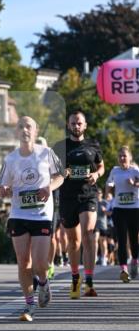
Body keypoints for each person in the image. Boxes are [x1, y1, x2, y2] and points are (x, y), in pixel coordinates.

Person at [0, 116, 64, 322]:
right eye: (21, 126)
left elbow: (60, 175)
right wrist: (4, 190)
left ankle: (43, 282)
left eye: (28, 126)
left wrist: (48, 188)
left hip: (42, 214)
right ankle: (29, 303)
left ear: (35, 131)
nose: (25, 130)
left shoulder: (46, 153)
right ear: (16, 132)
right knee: (23, 262)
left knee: (40, 263)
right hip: (18, 214)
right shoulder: (10, 159)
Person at [54, 110, 104, 298]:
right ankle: (76, 278)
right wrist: (61, 172)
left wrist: (97, 175)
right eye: (73, 123)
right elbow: (52, 169)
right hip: (67, 197)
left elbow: (101, 165)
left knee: (89, 235)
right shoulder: (60, 146)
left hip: (88, 195)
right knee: (73, 241)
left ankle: (89, 281)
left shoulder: (93, 145)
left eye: (79, 123)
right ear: (68, 125)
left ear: (85, 125)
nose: (76, 126)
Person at [105, 145, 139, 282]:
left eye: (125, 156)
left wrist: (135, 184)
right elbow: (109, 183)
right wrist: (107, 192)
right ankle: (123, 269)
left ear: (130, 158)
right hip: (119, 209)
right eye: (120, 156)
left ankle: (135, 261)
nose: (122, 158)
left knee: (134, 239)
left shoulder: (135, 170)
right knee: (121, 239)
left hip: (135, 209)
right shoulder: (115, 170)